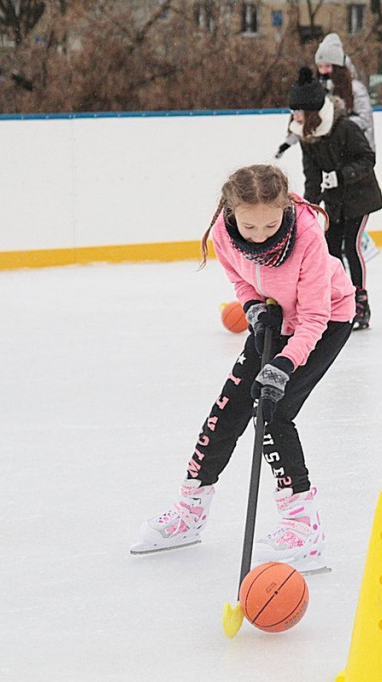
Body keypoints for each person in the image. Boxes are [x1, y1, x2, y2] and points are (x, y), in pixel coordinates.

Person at [130, 164, 355, 572]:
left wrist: (283, 366)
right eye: (250, 227)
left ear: (285, 207)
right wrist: (253, 307)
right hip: (274, 319)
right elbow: (241, 279)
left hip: (325, 321)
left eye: (271, 223)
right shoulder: (222, 232)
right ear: (232, 214)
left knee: (274, 413)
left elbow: (315, 317)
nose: (262, 234)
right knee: (226, 412)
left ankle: (304, 529)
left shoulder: (306, 235)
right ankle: (190, 511)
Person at [288, 66, 382, 331]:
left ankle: (361, 302)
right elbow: (312, 175)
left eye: (297, 111)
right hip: (334, 202)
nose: (293, 116)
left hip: (360, 196)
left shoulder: (345, 128)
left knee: (351, 246)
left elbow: (368, 158)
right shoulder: (307, 135)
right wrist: (308, 207)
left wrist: (342, 176)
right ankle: (341, 300)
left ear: (311, 112)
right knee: (330, 251)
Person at [275, 33, 375, 159]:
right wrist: (288, 142)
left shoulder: (355, 89)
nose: (323, 71)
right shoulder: (317, 89)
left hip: (355, 151)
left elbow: (365, 120)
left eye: (328, 66)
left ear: (338, 67)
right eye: (320, 66)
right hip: (329, 153)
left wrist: (333, 123)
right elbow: (306, 118)